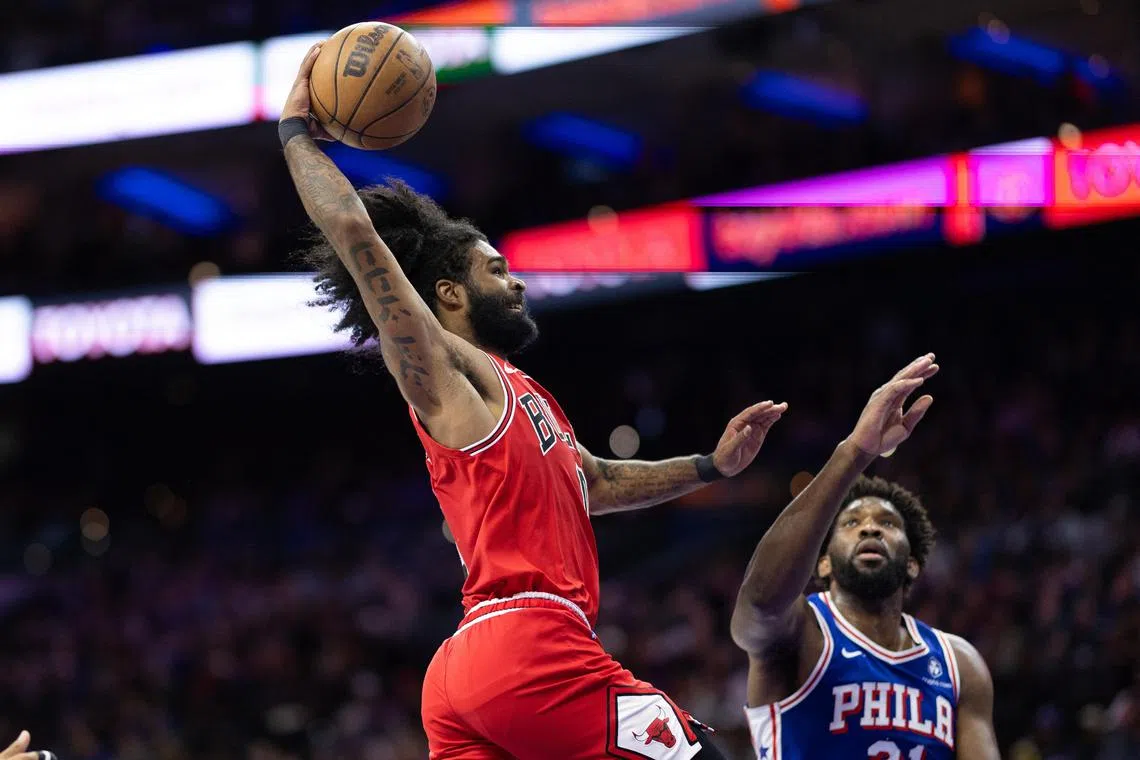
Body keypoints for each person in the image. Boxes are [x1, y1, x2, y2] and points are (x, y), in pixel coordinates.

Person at [278, 44, 787, 759]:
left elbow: (596, 482)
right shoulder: (441, 367)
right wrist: (295, 133)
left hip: (465, 672)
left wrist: (710, 465)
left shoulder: (521, 391)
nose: (515, 283)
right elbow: (358, 235)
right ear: (449, 294)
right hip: (530, 644)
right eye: (497, 269)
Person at [730, 354, 1001, 759]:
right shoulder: (800, 633)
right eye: (852, 523)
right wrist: (855, 451)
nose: (870, 528)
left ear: (912, 562)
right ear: (823, 563)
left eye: (888, 525)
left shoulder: (959, 663)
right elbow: (759, 603)